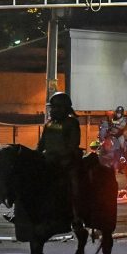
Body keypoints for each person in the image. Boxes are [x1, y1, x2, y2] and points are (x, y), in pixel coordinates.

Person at [36, 91, 83, 220]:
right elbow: (41, 143)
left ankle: (77, 215)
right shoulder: (49, 124)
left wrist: (58, 155)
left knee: (75, 184)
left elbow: (73, 144)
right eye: (52, 107)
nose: (52, 110)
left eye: (56, 107)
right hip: (49, 160)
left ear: (64, 108)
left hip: (67, 162)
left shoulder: (72, 123)